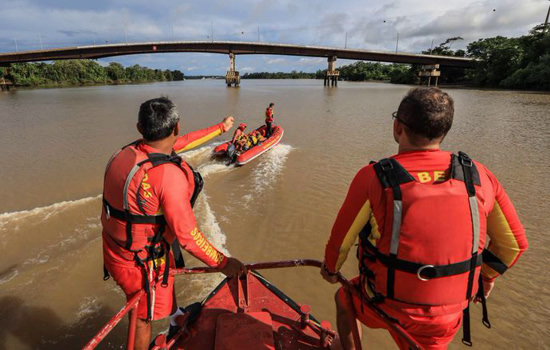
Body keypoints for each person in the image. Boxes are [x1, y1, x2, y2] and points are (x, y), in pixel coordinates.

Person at [321, 87, 528, 350]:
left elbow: (340, 244)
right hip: (448, 314)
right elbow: (514, 245)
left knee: (344, 299)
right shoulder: (480, 175)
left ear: (398, 127)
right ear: (444, 130)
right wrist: (484, 278)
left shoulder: (372, 177)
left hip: (384, 303)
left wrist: (330, 269)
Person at [101, 97, 247, 350]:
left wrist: (221, 128)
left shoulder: (125, 153)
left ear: (139, 128)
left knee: (166, 269)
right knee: (141, 317)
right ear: (175, 126)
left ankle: (176, 317)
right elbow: (188, 235)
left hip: (117, 248)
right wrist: (224, 263)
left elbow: (185, 141)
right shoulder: (168, 176)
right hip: (140, 263)